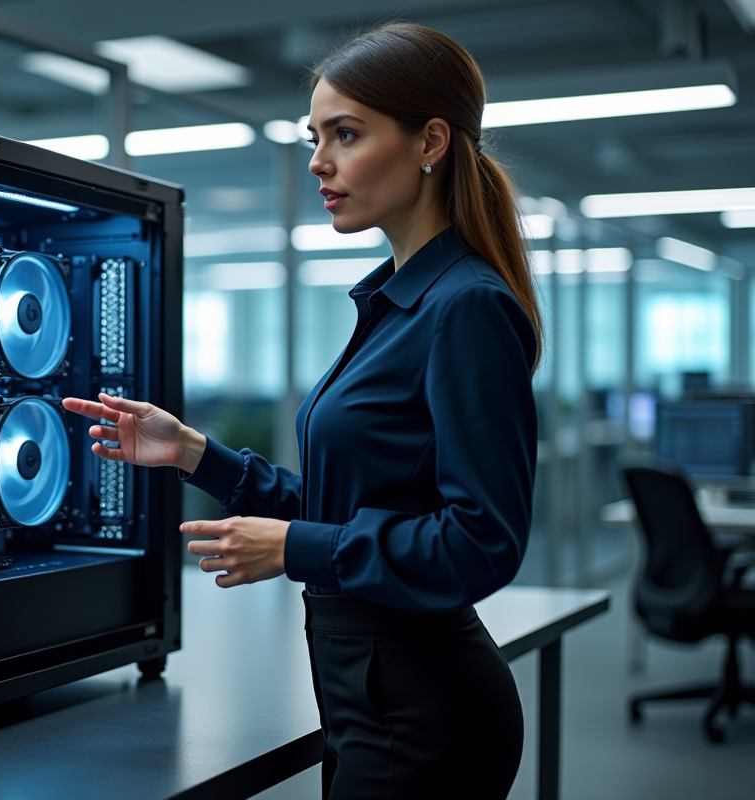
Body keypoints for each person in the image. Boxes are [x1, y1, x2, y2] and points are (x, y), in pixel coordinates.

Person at [62, 21, 541, 800]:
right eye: (316, 136)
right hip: (368, 692)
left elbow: (483, 543)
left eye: (345, 134)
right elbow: (342, 508)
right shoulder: (399, 303)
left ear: (430, 142)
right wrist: (193, 453)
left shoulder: (464, 309)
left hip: (424, 710)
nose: (319, 161)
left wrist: (297, 548)